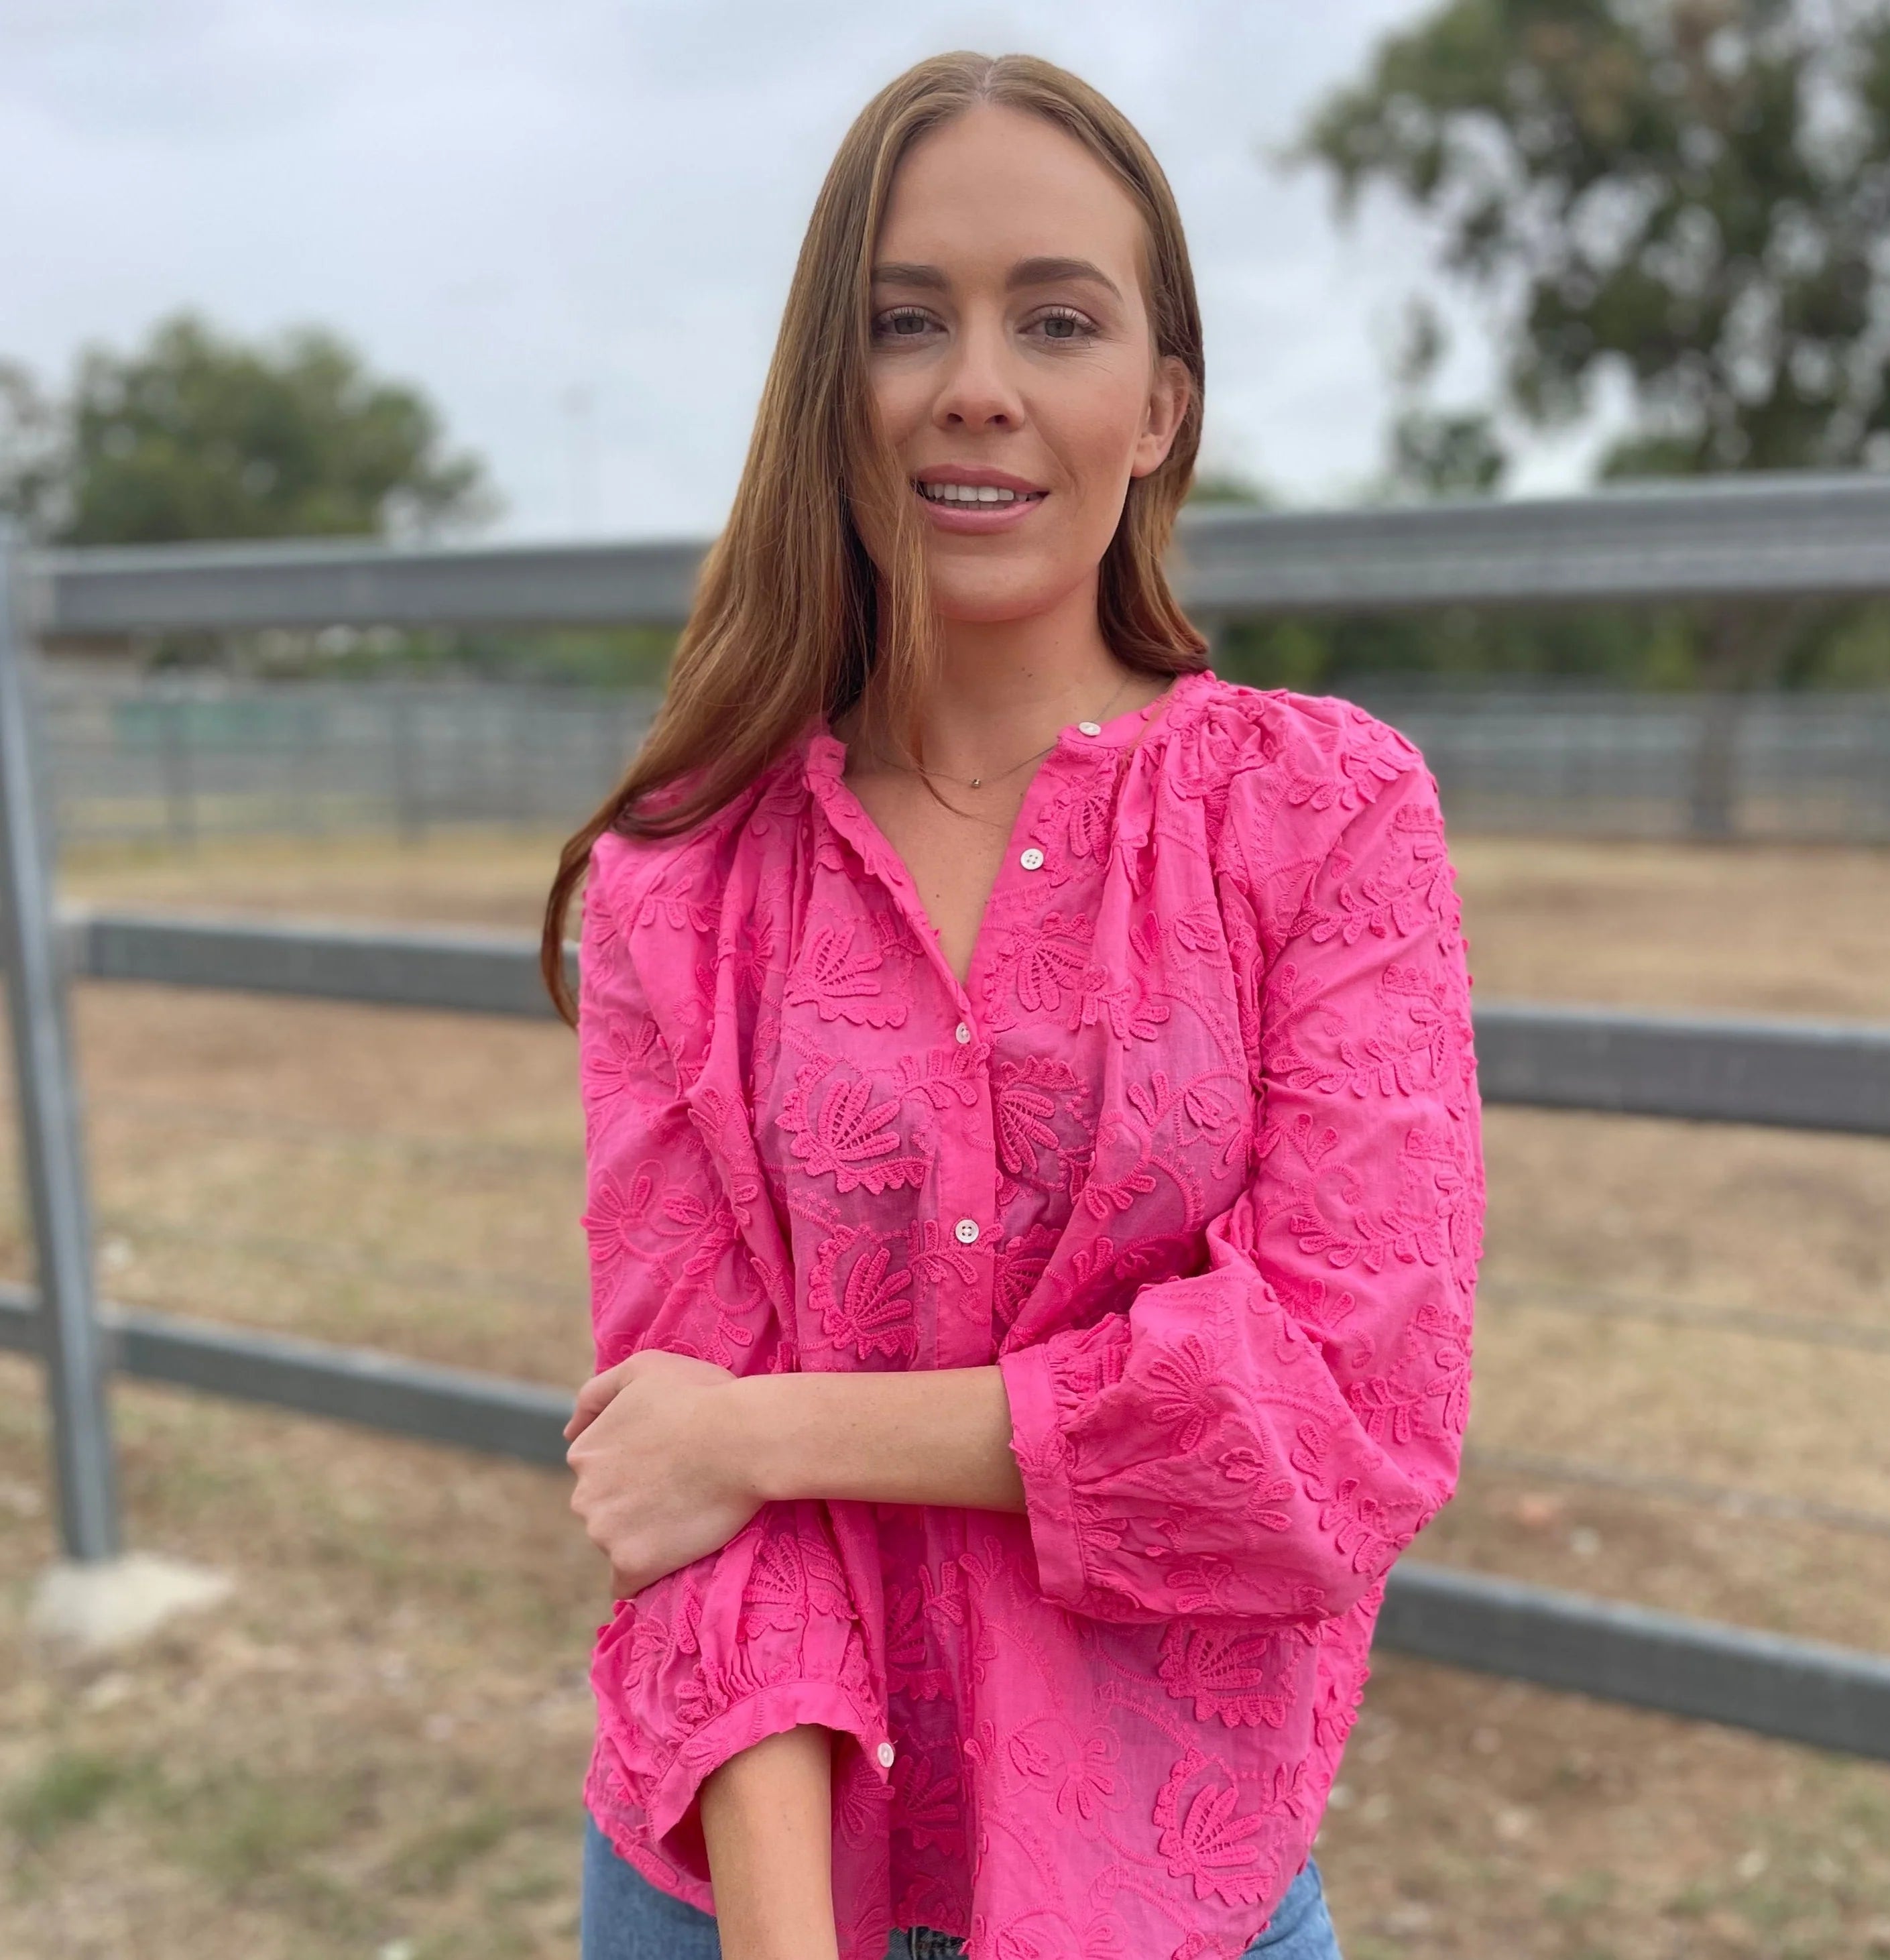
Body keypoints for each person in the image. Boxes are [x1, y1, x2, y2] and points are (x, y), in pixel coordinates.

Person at [544, 48, 1484, 1960]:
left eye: (1053, 317)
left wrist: (774, 1427)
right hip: (746, 1888)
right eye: (907, 321)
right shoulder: (686, 875)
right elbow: (677, 1483)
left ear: (1156, 407)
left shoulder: (1320, 818)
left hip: (1177, 1890)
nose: (976, 378)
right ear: (837, 390)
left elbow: (1332, 1420)